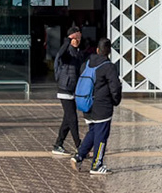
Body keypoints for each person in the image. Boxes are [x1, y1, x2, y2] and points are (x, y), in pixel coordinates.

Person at [71, 35, 123, 176]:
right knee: (101, 136)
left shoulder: (87, 63)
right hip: (102, 107)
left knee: (93, 132)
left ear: (98, 50)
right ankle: (97, 165)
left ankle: (78, 156)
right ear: (109, 51)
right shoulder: (109, 67)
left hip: (87, 105)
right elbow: (115, 88)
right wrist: (116, 101)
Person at [49, 27, 88, 157]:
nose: (78, 40)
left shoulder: (78, 52)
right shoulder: (66, 52)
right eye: (76, 38)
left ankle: (58, 144)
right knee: (72, 119)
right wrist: (67, 41)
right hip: (64, 89)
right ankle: (80, 147)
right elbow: (60, 55)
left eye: (79, 38)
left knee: (67, 119)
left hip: (73, 89)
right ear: (71, 38)